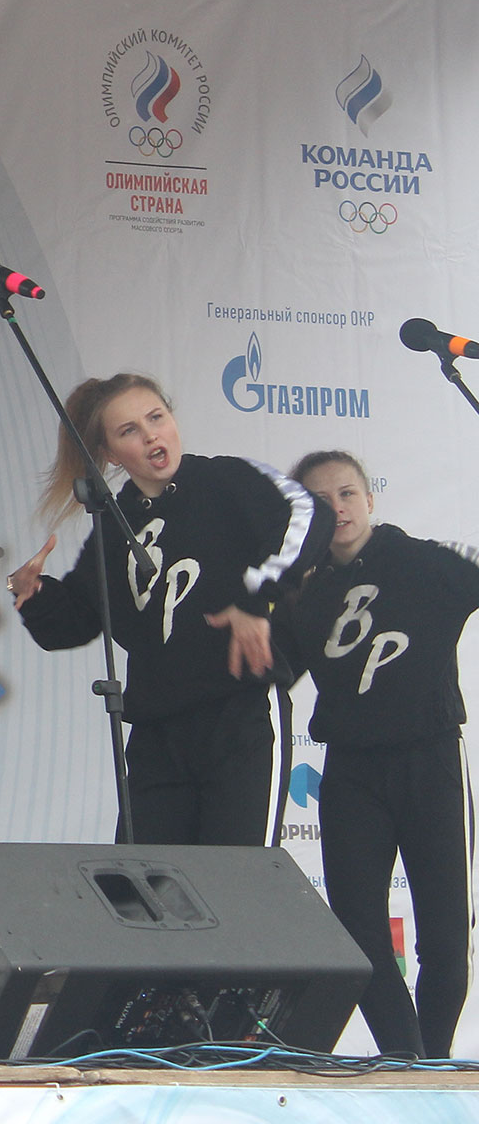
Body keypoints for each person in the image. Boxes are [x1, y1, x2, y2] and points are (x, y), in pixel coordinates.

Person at [9, 373, 331, 846]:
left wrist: (253, 601)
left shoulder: (225, 480)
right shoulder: (116, 523)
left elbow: (308, 516)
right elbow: (79, 619)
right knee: (144, 877)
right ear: (110, 454)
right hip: (157, 733)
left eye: (156, 418)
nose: (151, 435)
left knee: (238, 875)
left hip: (237, 716)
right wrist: (35, 594)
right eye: (129, 430)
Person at [273, 450, 477, 1058]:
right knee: (358, 934)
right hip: (352, 774)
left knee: (445, 939)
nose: (338, 508)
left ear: (369, 499)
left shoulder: (425, 561)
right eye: (320, 500)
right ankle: (407, 1061)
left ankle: (432, 1062)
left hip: (430, 760)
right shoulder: (302, 591)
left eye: (347, 493)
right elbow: (266, 670)